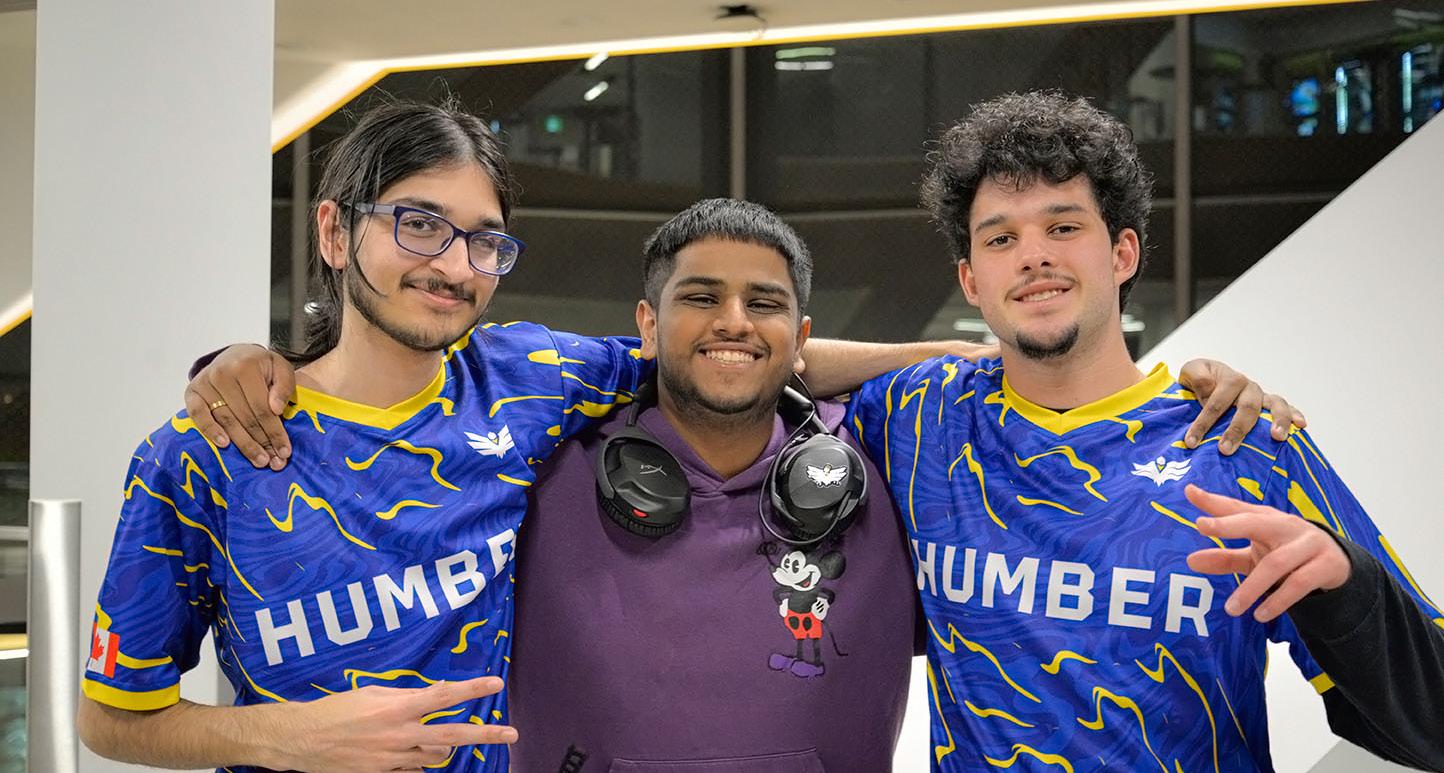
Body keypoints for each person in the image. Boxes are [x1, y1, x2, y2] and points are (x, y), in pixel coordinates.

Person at [161, 104, 1301, 769]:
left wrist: (1081, 371)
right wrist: (248, 362)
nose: (451, 262)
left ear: (800, 334)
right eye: (419, 226)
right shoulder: (542, 426)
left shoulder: (886, 460)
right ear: (645, 325)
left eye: (764, 306)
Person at [844, 90, 1444, 772]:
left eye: (1063, 227)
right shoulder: (918, 416)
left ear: (1123, 253)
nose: (1032, 256)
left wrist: (1348, 587)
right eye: (1000, 239)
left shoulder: (1243, 443)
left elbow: (1432, 723)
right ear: (971, 279)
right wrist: (943, 352)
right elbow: (770, 361)